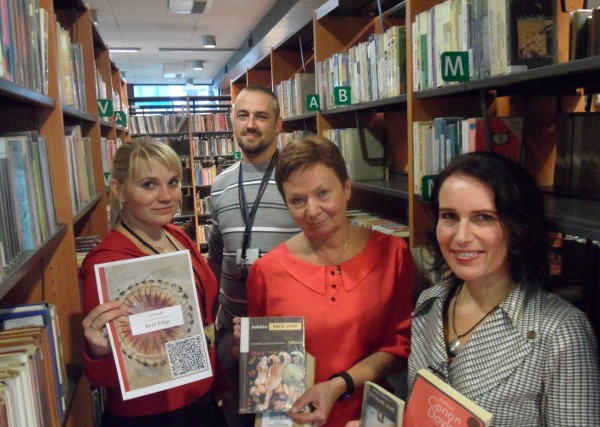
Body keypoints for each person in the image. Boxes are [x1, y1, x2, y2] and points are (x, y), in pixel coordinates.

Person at [407, 151, 600, 426]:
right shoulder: (431, 302)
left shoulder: (560, 331)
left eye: (484, 217)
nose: (461, 237)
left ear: (519, 226)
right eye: (450, 216)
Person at [245, 135, 414, 427]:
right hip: (297, 419)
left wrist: (338, 385)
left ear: (347, 189)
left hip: (367, 417)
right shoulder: (266, 272)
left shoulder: (393, 254)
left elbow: (400, 348)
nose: (312, 211)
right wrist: (250, 346)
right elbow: (267, 369)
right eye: (297, 200)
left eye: (323, 194)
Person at [80, 138, 227, 426]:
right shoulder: (106, 262)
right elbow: (108, 375)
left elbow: (195, 322)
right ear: (119, 189)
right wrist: (99, 350)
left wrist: (212, 384)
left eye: (172, 182)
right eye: (149, 185)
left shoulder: (178, 236)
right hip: (150, 413)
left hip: (197, 396)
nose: (166, 196)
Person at [207, 85, 300, 426]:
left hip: (285, 333)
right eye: (243, 115)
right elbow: (217, 254)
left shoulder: (298, 180)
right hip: (230, 330)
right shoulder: (220, 185)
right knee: (236, 419)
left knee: (281, 420)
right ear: (232, 121)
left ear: (278, 124)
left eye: (261, 116)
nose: (250, 124)